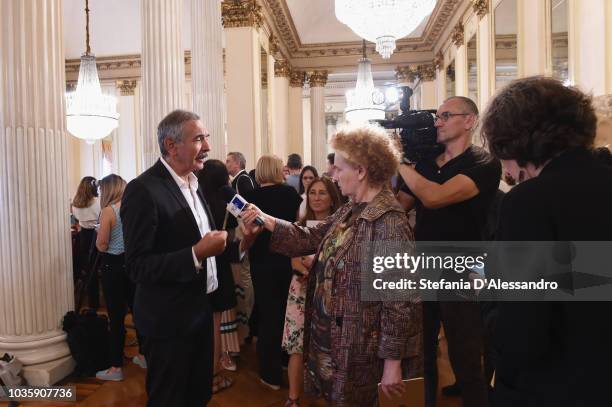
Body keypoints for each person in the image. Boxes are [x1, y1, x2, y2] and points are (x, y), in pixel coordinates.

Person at [241, 125, 423, 406]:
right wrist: (266, 219)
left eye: (338, 169)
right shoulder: (351, 208)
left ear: (361, 170)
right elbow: (312, 236)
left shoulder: (389, 222)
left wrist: (392, 365)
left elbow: (400, 304)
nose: (332, 176)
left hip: (364, 352)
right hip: (341, 343)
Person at [481, 76, 612, 406]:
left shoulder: (529, 202)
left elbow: (523, 334)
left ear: (514, 140)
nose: (507, 172)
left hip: (557, 385)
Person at [398, 96, 501, 407]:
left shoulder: (484, 164)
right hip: (424, 265)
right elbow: (401, 205)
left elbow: (435, 197)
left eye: (445, 116)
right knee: (421, 351)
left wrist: (399, 164)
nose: (437, 122)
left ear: (468, 121)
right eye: (437, 116)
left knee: (466, 355)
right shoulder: (427, 163)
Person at [120, 110, 227, 407]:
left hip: (199, 313)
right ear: (171, 145)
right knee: (169, 399)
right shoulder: (143, 190)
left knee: (198, 395)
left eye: (206, 138)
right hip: (167, 321)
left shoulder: (194, 183)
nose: (207, 146)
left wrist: (243, 241)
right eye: (199, 139)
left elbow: (207, 242)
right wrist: (195, 254)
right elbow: (137, 265)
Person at [242, 154, 302, 390]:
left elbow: (246, 233)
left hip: (261, 261)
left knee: (268, 315)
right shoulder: (290, 194)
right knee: (287, 313)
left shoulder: (250, 198)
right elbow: (297, 226)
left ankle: (270, 373)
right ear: (279, 170)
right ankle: (287, 360)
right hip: (287, 259)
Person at [283, 176, 341, 407]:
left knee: (328, 348)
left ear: (332, 198)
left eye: (322, 193)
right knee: (296, 347)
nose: (316, 198)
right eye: (312, 193)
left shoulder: (339, 227)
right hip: (301, 291)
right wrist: (309, 267)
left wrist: (317, 268)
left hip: (328, 294)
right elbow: (295, 262)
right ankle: (293, 398)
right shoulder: (300, 226)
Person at [94, 174, 145, 381]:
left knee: (116, 317)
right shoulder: (133, 207)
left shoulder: (108, 211)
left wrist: (100, 238)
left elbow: (102, 244)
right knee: (138, 311)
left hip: (113, 266)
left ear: (107, 189)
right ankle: (143, 355)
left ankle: (115, 367)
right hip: (133, 265)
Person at [198, 159, 240, 392]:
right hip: (220, 263)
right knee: (214, 324)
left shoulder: (196, 200)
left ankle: (198, 372)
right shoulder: (227, 202)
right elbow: (233, 235)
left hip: (198, 263)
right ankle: (213, 376)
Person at [71, 176, 101, 309]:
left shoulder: (75, 204)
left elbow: (77, 219)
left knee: (89, 271)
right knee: (101, 267)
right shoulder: (98, 203)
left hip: (83, 237)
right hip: (97, 235)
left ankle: (93, 304)